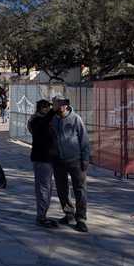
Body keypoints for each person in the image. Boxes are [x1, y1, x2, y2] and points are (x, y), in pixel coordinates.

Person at [51, 97, 90, 233]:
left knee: (80, 189)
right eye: (56, 104)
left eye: (61, 104)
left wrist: (85, 160)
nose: (59, 106)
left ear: (67, 105)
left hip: (75, 160)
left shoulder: (76, 119)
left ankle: (81, 219)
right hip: (58, 161)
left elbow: (84, 140)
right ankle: (68, 214)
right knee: (62, 189)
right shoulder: (53, 119)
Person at [28, 100, 58, 228]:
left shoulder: (45, 120)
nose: (48, 110)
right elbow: (41, 126)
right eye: (47, 108)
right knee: (43, 188)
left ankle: (43, 214)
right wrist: (52, 113)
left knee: (48, 188)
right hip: (41, 158)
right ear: (42, 108)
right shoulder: (36, 120)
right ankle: (41, 217)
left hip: (49, 157)